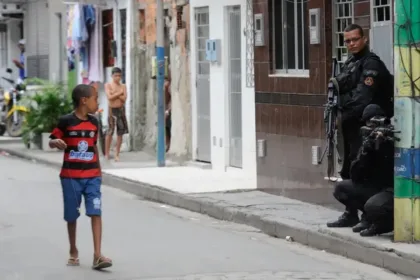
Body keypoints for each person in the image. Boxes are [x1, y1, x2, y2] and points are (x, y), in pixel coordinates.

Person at [49, 84, 113, 269]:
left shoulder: (94, 122)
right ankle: (73, 250)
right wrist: (55, 142)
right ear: (84, 100)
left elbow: (93, 147)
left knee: (96, 211)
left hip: (92, 176)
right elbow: (53, 139)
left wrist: (99, 173)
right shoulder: (66, 121)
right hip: (70, 177)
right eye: (95, 98)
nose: (98, 102)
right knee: (72, 215)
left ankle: (98, 255)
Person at [335, 24, 393, 180]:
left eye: (355, 39)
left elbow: (362, 99)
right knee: (347, 168)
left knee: (359, 169)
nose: (351, 44)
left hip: (367, 126)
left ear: (364, 39)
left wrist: (342, 113)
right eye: (347, 41)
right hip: (351, 125)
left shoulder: (371, 63)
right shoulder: (351, 63)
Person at [327, 104, 394, 237]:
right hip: (373, 187)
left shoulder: (392, 138)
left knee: (373, 205)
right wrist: (366, 151)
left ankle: (383, 223)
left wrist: (386, 145)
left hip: (390, 189)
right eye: (370, 123)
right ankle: (367, 217)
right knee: (341, 188)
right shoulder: (367, 138)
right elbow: (355, 175)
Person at [104, 67, 128, 161]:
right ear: (112, 76)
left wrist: (116, 94)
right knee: (110, 131)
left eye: (119, 75)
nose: (117, 77)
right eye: (115, 76)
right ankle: (107, 154)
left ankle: (117, 154)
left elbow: (124, 98)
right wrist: (119, 94)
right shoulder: (108, 85)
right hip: (112, 110)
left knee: (120, 132)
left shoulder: (123, 86)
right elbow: (109, 97)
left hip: (121, 110)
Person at [164, 70, 171, 152]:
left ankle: (168, 143)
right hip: (168, 107)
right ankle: (167, 143)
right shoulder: (167, 85)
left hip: (170, 108)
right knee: (165, 124)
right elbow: (166, 100)